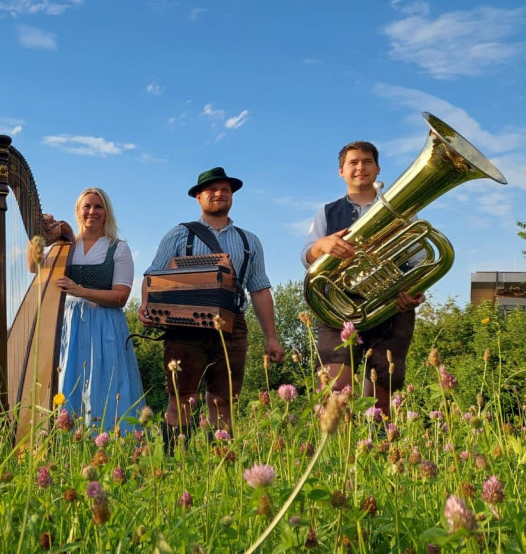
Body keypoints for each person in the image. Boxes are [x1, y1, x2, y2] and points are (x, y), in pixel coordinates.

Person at [146, 167, 284, 441]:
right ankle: (175, 465)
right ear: (198, 197)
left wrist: (272, 337)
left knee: (225, 401)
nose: (220, 194)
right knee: (181, 398)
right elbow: (153, 274)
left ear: (232, 196)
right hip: (183, 326)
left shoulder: (249, 241)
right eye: (212, 190)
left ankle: (220, 464)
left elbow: (259, 289)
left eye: (225, 190)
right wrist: (147, 306)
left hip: (233, 325)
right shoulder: (178, 235)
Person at [301, 140, 423, 416]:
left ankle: (377, 446)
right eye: (353, 162)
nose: (360, 167)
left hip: (390, 309)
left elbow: (418, 262)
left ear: (378, 169)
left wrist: (414, 292)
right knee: (334, 389)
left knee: (382, 389)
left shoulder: (402, 209)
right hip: (339, 308)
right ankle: (334, 452)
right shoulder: (327, 212)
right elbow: (306, 256)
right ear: (341, 171)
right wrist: (323, 246)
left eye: (367, 161)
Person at [36, 188, 146, 431]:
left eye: (98, 206)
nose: (92, 212)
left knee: (105, 384)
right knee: (69, 380)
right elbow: (35, 269)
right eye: (87, 206)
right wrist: (37, 240)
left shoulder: (118, 248)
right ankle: (69, 442)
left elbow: (121, 296)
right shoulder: (64, 247)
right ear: (77, 211)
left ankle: (111, 441)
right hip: (69, 326)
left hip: (105, 325)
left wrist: (80, 290)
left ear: (106, 212)